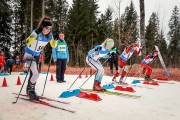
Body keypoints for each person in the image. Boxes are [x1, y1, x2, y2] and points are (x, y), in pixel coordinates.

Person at [23, 16, 58, 100]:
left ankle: (30, 89)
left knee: (34, 74)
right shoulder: (36, 32)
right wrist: (35, 33)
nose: (48, 30)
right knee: (35, 73)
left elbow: (53, 45)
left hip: (37, 55)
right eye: (47, 28)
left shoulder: (49, 36)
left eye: (50, 28)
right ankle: (30, 90)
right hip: (29, 55)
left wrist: (56, 40)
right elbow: (27, 42)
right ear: (42, 27)